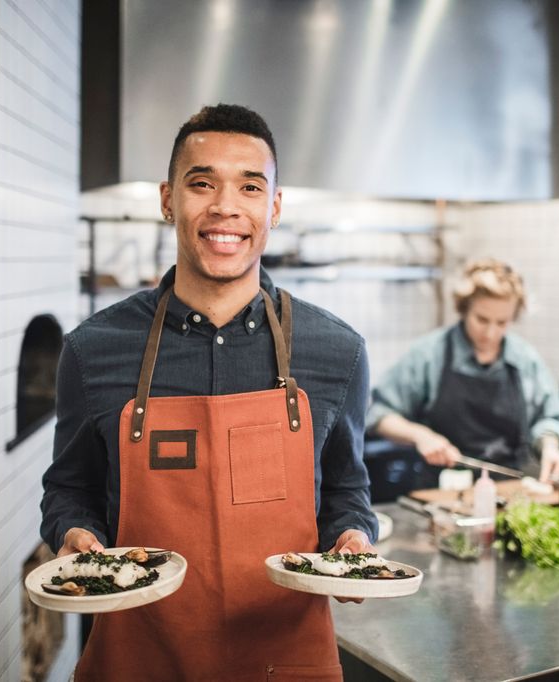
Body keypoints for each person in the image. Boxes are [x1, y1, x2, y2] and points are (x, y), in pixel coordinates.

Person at [40, 104, 376, 680]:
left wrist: (353, 537)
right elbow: (69, 488)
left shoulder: (337, 351)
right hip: (138, 663)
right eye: (202, 184)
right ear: (168, 199)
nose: (226, 206)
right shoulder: (93, 351)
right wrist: (74, 533)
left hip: (285, 664)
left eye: (250, 187)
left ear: (274, 207)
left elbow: (347, 488)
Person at [367, 259, 559, 484]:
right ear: (464, 309)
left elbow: (549, 418)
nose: (491, 333)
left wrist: (550, 447)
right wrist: (421, 435)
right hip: (440, 488)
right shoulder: (429, 354)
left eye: (502, 323)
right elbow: (379, 414)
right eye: (482, 320)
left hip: (506, 487)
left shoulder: (524, 359)